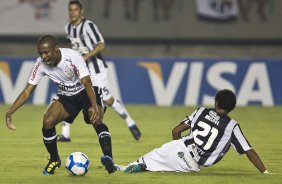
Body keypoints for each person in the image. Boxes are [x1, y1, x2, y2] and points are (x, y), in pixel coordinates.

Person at [5, 35, 116, 174]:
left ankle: (109, 159)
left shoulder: (72, 57)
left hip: (85, 91)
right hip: (66, 96)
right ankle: (54, 159)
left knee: (94, 118)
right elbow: (27, 91)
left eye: (46, 52)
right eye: (41, 53)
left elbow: (86, 82)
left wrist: (93, 105)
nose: (43, 56)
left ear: (56, 49)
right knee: (48, 121)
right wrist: (10, 111)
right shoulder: (40, 64)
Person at [121, 89, 271, 174]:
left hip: (178, 148)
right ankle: (145, 167)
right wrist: (265, 172)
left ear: (216, 102)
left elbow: (176, 131)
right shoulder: (232, 126)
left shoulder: (202, 112)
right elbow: (248, 150)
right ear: (231, 107)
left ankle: (125, 167)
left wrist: (177, 149)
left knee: (143, 162)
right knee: (163, 170)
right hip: (192, 165)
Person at [58, 0, 141, 142]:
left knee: (108, 100)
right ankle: (65, 134)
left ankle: (130, 121)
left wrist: (86, 56)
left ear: (81, 11)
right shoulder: (68, 28)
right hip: (80, 71)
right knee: (68, 94)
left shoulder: (88, 26)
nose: (73, 12)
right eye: (70, 10)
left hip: (96, 69)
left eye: (75, 10)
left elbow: (102, 45)